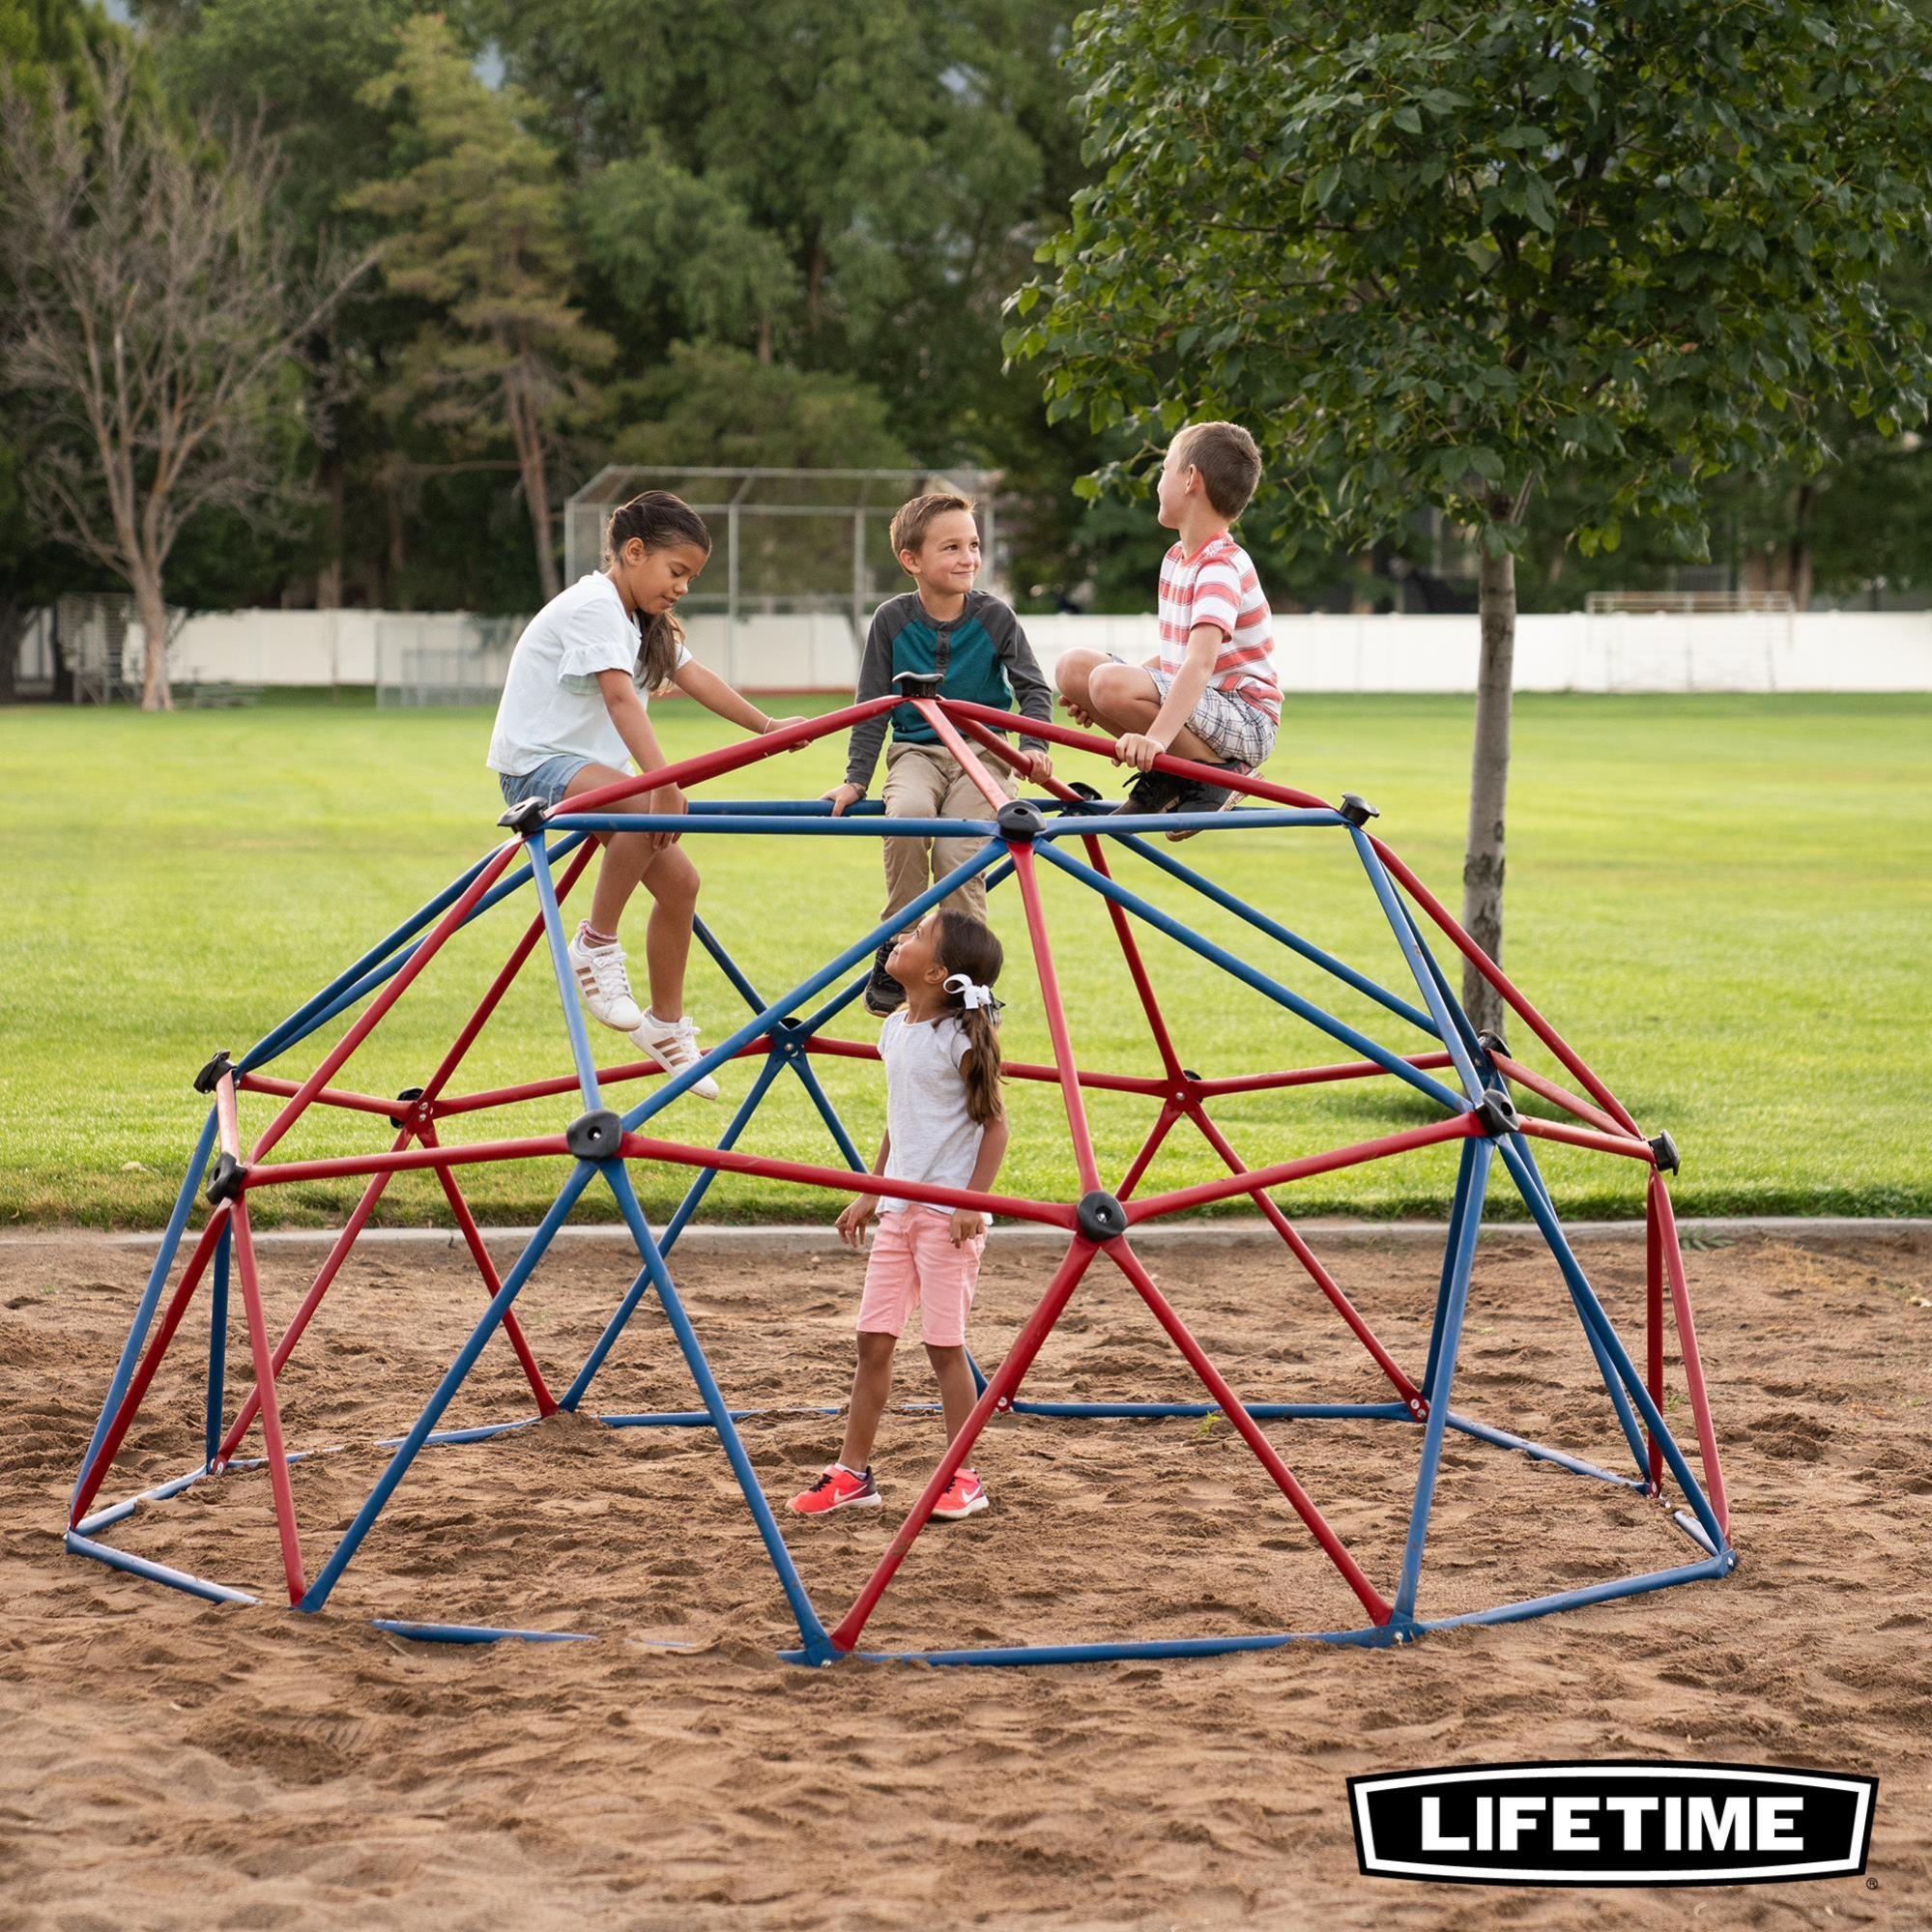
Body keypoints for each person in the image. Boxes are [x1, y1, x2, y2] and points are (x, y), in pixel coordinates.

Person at [487, 490, 802, 1101]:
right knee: (641, 809)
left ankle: (665, 1024)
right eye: (676, 571)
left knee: (682, 884)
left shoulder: (640, 621)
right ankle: (594, 943)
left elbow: (695, 676)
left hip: (590, 770)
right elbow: (620, 698)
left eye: (690, 577)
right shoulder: (594, 605)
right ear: (634, 553)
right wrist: (663, 782)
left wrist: (768, 728)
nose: (683, 587)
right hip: (538, 766)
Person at [790, 909, 1008, 1522]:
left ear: (938, 972)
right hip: (899, 1211)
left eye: (915, 938)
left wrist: (972, 1201)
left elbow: (995, 1127)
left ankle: (963, 1475)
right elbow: (900, 1120)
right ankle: (853, 1474)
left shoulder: (959, 1041)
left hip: (947, 1219)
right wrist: (871, 1191)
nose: (901, 939)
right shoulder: (895, 1029)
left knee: (944, 1348)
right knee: (872, 1341)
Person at [822, 492, 1053, 1015]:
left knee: (957, 851)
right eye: (951, 547)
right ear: (912, 561)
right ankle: (898, 948)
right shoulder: (892, 620)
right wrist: (856, 781)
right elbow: (872, 706)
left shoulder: (996, 617)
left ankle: (970, 981)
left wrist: (1032, 747)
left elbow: (1035, 691)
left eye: (973, 545)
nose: (968, 557)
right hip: (916, 753)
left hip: (983, 755)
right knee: (907, 818)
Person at [1053, 421, 1282, 840]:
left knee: (1108, 682)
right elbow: (1174, 658)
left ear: (1191, 479)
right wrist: (1106, 703)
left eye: (1164, 469)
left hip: (1247, 717)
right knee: (1074, 668)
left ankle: (1215, 777)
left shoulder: (1219, 566)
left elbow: (1200, 662)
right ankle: (1178, 778)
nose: (1159, 482)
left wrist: (1154, 739)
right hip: (1206, 707)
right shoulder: (1178, 558)